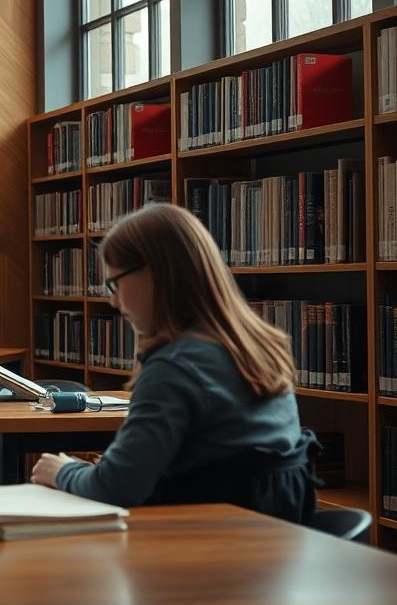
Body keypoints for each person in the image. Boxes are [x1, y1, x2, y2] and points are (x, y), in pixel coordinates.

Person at [29, 203, 317, 523]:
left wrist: (64, 471)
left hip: (205, 550)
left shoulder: (175, 368)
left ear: (154, 274)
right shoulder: (260, 348)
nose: (112, 301)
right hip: (275, 546)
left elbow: (116, 488)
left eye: (115, 284)